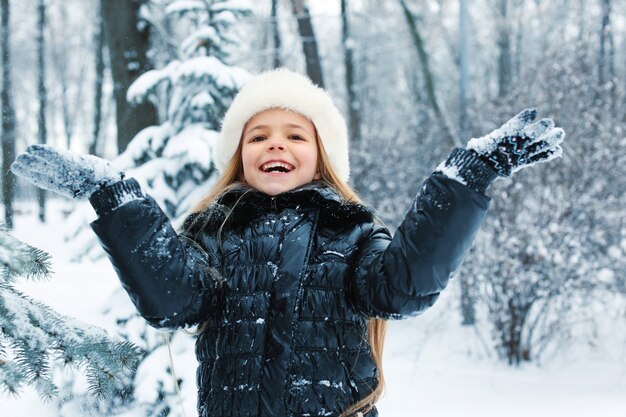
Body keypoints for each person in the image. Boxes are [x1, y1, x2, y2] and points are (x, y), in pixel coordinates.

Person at [11, 68, 564, 417]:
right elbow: (172, 299)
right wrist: (114, 195)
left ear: (321, 155)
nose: (276, 145)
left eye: (295, 135)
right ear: (240, 156)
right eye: (259, 136)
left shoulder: (350, 234)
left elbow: (403, 286)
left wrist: (468, 176)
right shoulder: (214, 234)